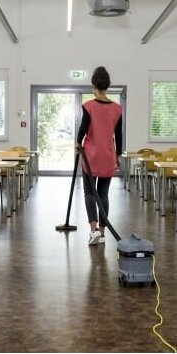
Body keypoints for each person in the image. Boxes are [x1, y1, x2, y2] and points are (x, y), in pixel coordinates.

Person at [76, 66, 123, 245]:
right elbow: (119, 135)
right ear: (107, 86)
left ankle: (93, 230)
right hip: (108, 157)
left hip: (90, 158)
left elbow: (82, 129)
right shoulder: (117, 109)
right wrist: (118, 155)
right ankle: (102, 233)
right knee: (103, 194)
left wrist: (77, 143)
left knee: (89, 193)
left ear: (94, 86)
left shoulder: (89, 106)